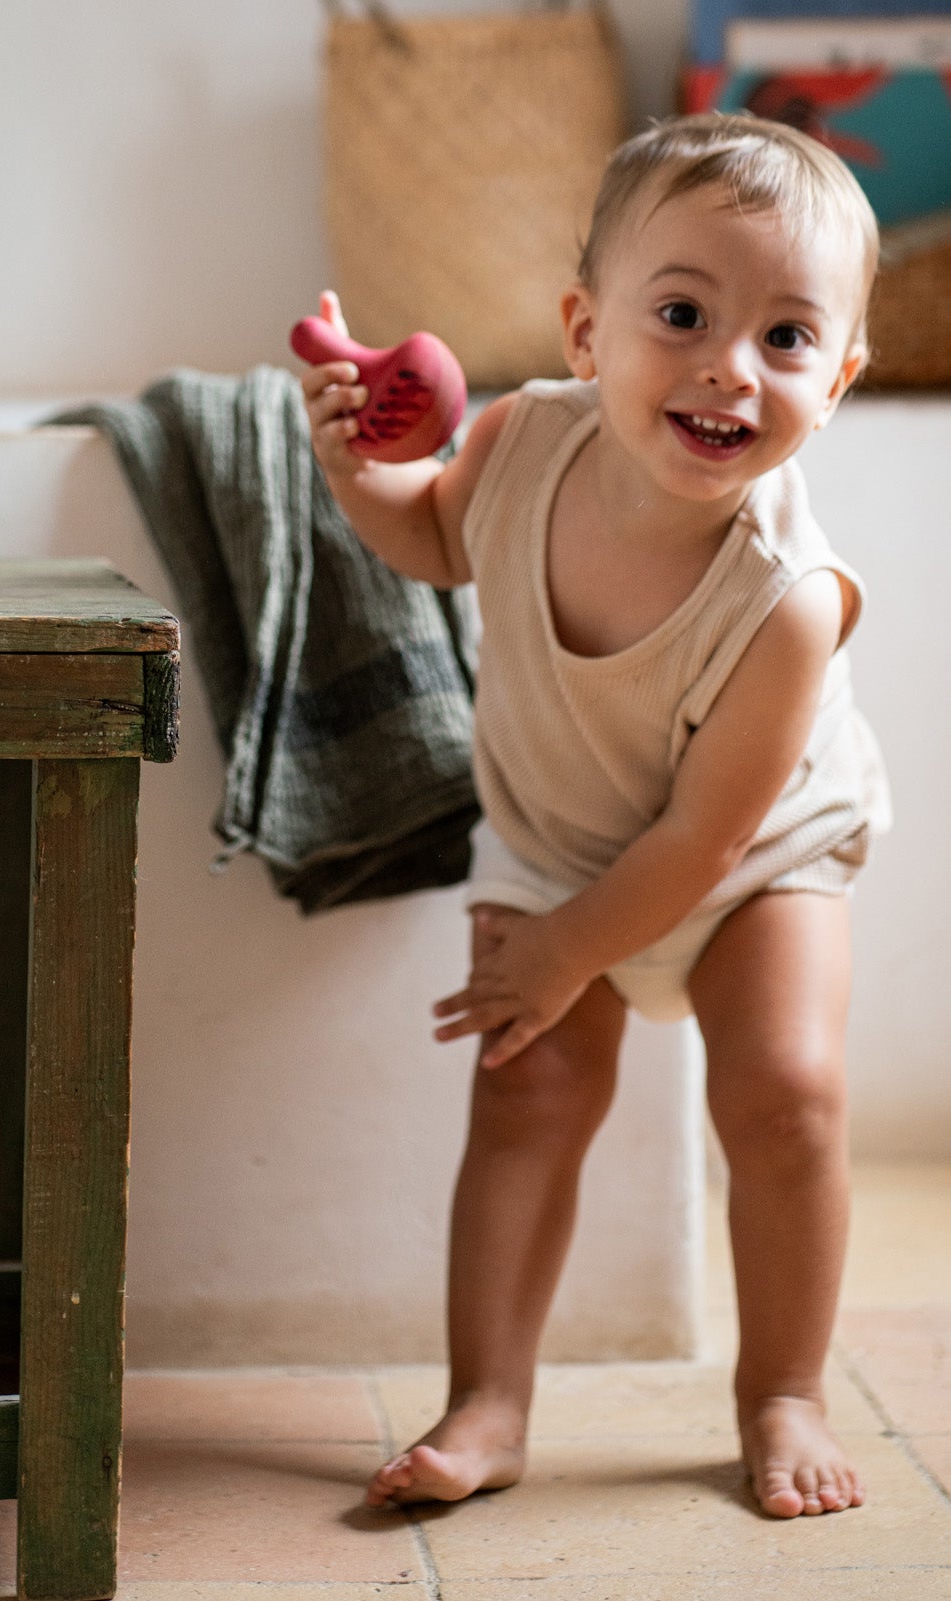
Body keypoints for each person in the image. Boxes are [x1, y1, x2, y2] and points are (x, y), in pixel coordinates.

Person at [299, 112, 890, 1520]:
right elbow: (436, 535)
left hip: (756, 855)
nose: (726, 369)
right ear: (584, 330)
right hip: (558, 833)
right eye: (679, 313)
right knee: (526, 1098)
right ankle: (488, 1401)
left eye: (788, 338)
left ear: (842, 374)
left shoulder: (786, 598)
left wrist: (569, 949)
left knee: (787, 1096)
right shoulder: (515, 444)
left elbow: (699, 842)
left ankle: (781, 1388)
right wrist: (355, 468)